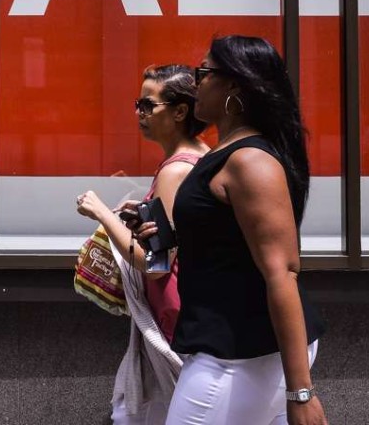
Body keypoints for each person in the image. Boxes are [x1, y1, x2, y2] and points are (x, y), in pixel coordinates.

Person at [165, 35, 327, 425]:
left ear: (235, 84)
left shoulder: (250, 160)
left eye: (203, 73)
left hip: (241, 357)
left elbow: (282, 272)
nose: (194, 83)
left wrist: (301, 393)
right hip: (230, 350)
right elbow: (221, 237)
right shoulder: (226, 152)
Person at [76, 64, 210, 425]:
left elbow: (153, 262)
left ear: (180, 111)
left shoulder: (176, 170)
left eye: (148, 105)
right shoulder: (199, 157)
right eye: (139, 103)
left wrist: (102, 212)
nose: (139, 113)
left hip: (175, 319)